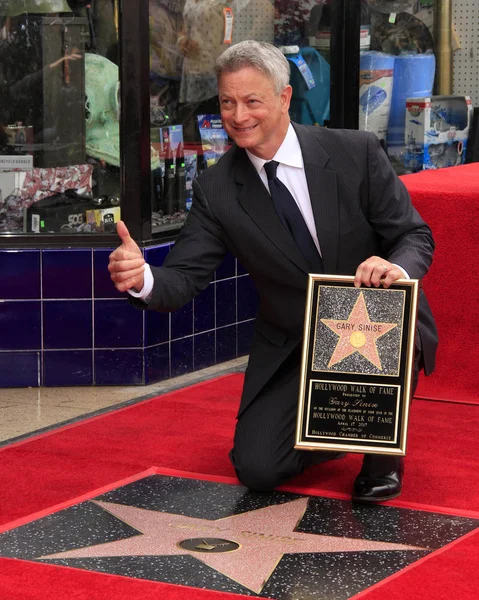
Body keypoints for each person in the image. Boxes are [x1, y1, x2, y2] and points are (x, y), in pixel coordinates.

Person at [108, 40, 438, 503]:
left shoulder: (355, 152)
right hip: (295, 338)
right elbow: (183, 278)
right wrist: (140, 277)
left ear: (284, 98)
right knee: (258, 469)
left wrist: (394, 268)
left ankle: (378, 445)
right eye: (227, 102)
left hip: (377, 323)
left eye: (252, 101)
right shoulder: (217, 188)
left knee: (380, 341)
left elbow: (415, 237)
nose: (238, 115)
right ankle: (330, 430)